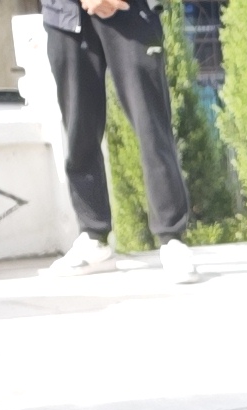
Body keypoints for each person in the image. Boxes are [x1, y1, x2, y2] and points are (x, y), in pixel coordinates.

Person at [38, 0, 198, 283]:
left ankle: (171, 238)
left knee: (152, 126)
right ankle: (93, 237)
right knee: (79, 131)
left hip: (129, 9)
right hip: (65, 15)